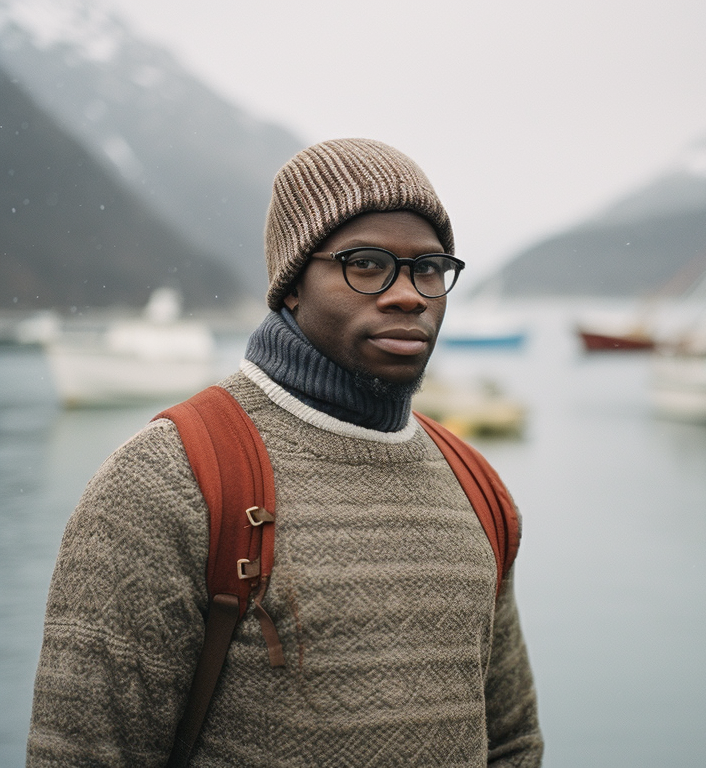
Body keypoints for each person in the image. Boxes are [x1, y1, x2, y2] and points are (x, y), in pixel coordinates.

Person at [28, 139, 542, 766]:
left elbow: (511, 741)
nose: (409, 294)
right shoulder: (171, 478)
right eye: (367, 264)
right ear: (292, 285)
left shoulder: (475, 486)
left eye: (429, 268)